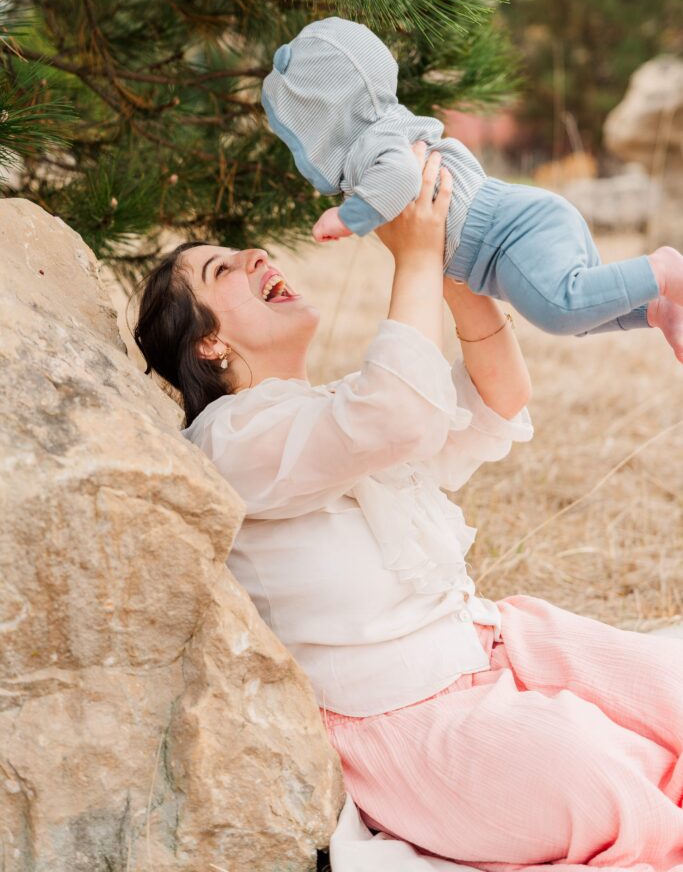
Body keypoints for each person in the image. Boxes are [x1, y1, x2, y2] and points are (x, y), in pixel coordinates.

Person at [132, 143, 683, 871]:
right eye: (221, 269)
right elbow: (392, 411)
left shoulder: (332, 408)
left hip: (494, 642)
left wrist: (455, 261)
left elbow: (495, 399)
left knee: (667, 690)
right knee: (599, 788)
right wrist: (413, 258)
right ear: (209, 343)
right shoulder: (230, 442)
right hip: (412, 719)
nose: (255, 256)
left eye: (244, 250)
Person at [262, 16, 683, 362]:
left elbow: (402, 176)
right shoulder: (384, 129)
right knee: (582, 313)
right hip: (511, 234)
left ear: (324, 114)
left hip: (510, 231)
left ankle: (662, 269)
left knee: (561, 309)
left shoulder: (376, 137)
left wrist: (347, 217)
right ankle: (654, 308)